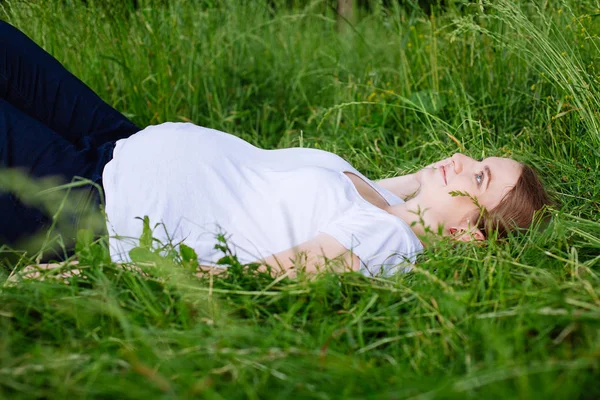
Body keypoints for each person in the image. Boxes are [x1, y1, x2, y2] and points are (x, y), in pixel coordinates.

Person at [0, 22, 551, 277]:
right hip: (119, 142)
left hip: (93, 202)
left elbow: (256, 278)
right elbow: (411, 190)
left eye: (479, 178)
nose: (463, 161)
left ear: (466, 234)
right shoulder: (385, 206)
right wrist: (431, 187)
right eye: (479, 160)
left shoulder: (387, 240)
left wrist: (83, 277)